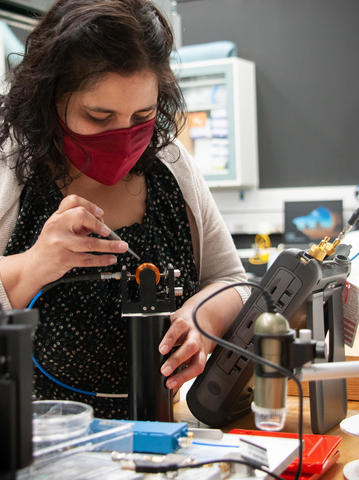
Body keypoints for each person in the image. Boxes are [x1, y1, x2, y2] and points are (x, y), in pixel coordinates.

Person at [0, 0, 249, 419]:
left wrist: (202, 320)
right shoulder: (9, 168)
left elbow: (233, 282)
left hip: (167, 434)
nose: (123, 136)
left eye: (143, 115)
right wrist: (34, 265)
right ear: (49, 100)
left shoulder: (172, 165)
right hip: (39, 442)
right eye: (98, 116)